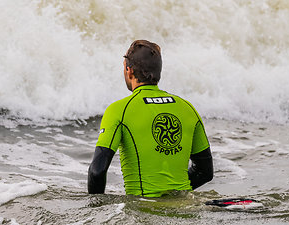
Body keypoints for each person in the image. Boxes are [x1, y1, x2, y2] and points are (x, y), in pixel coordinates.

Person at [88, 40, 213, 197]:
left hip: (144, 212)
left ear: (129, 70)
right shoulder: (187, 108)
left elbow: (97, 171)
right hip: (185, 211)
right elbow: (205, 172)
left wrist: (95, 213)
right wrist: (174, 196)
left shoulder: (119, 110)